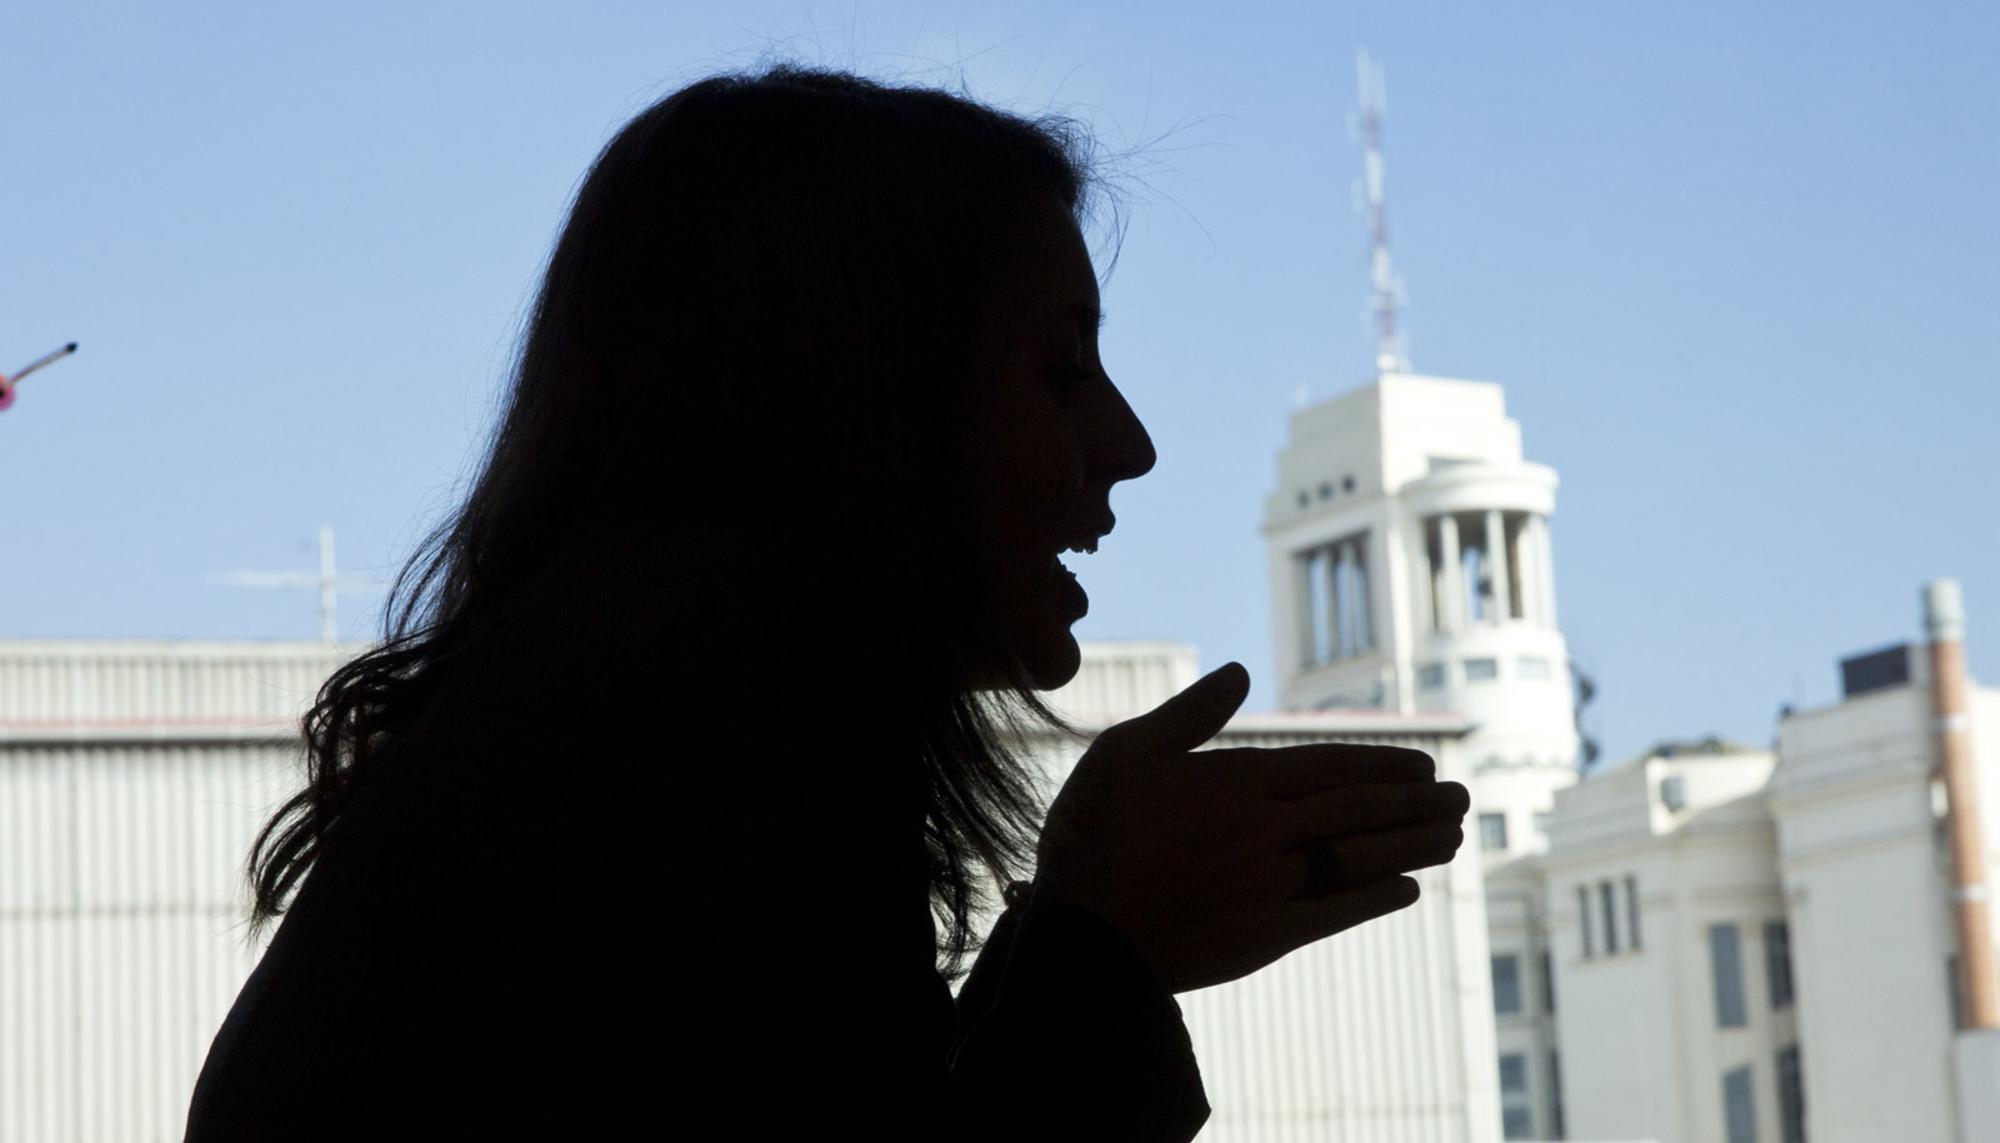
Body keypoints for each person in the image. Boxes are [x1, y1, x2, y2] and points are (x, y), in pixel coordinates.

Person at [183, 65, 1471, 1141]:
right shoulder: (738, 688)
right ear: (875, 400)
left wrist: (1080, 930)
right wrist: (1101, 945)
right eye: (1058, 368)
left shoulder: (607, 693)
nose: (1126, 442)